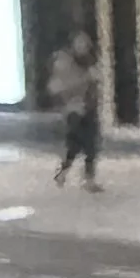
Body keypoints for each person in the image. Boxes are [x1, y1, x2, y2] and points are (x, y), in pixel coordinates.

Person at [48, 30, 102, 190]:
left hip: (88, 107)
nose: (83, 46)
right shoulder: (64, 62)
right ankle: (74, 175)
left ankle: (79, 176)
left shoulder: (89, 62)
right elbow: (59, 87)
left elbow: (93, 86)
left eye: (86, 44)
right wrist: (86, 78)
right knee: (81, 143)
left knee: (88, 144)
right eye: (80, 43)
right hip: (73, 109)